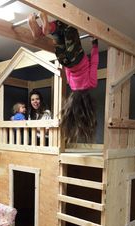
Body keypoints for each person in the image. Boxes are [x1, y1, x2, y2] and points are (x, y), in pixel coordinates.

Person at [28, 12, 99, 143]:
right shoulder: (72, 86)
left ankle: (45, 29)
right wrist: (67, 63)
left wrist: (95, 44)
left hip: (76, 57)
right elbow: (68, 73)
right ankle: (46, 30)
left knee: (69, 27)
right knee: (59, 33)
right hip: (65, 61)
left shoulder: (91, 84)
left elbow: (94, 63)